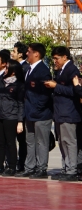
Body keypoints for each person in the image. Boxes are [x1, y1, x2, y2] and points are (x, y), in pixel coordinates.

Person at [44, 46, 79, 181]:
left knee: (69, 142)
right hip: (60, 112)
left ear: (65, 57)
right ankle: (65, 168)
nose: (55, 61)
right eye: (53, 58)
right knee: (63, 142)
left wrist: (56, 86)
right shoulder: (60, 71)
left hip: (69, 112)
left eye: (57, 58)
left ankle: (72, 170)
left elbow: (74, 91)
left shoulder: (72, 71)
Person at [17, 43, 52, 179]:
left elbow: (45, 94)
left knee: (41, 142)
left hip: (41, 114)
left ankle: (41, 168)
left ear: (36, 54)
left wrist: (37, 109)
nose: (27, 53)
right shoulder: (29, 69)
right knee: (29, 141)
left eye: (29, 51)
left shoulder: (43, 70)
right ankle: (29, 167)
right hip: (29, 112)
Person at [0, 59, 23, 177]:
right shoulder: (1, 81)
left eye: (8, 68)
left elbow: (20, 104)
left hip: (11, 116)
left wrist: (20, 121)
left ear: (13, 71)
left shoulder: (18, 84)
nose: (5, 70)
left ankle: (12, 166)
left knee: (10, 142)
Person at [11, 41, 29, 173]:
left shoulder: (25, 68)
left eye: (14, 51)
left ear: (20, 54)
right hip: (12, 108)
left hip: (22, 107)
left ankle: (22, 164)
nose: (12, 53)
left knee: (23, 139)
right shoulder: (14, 67)